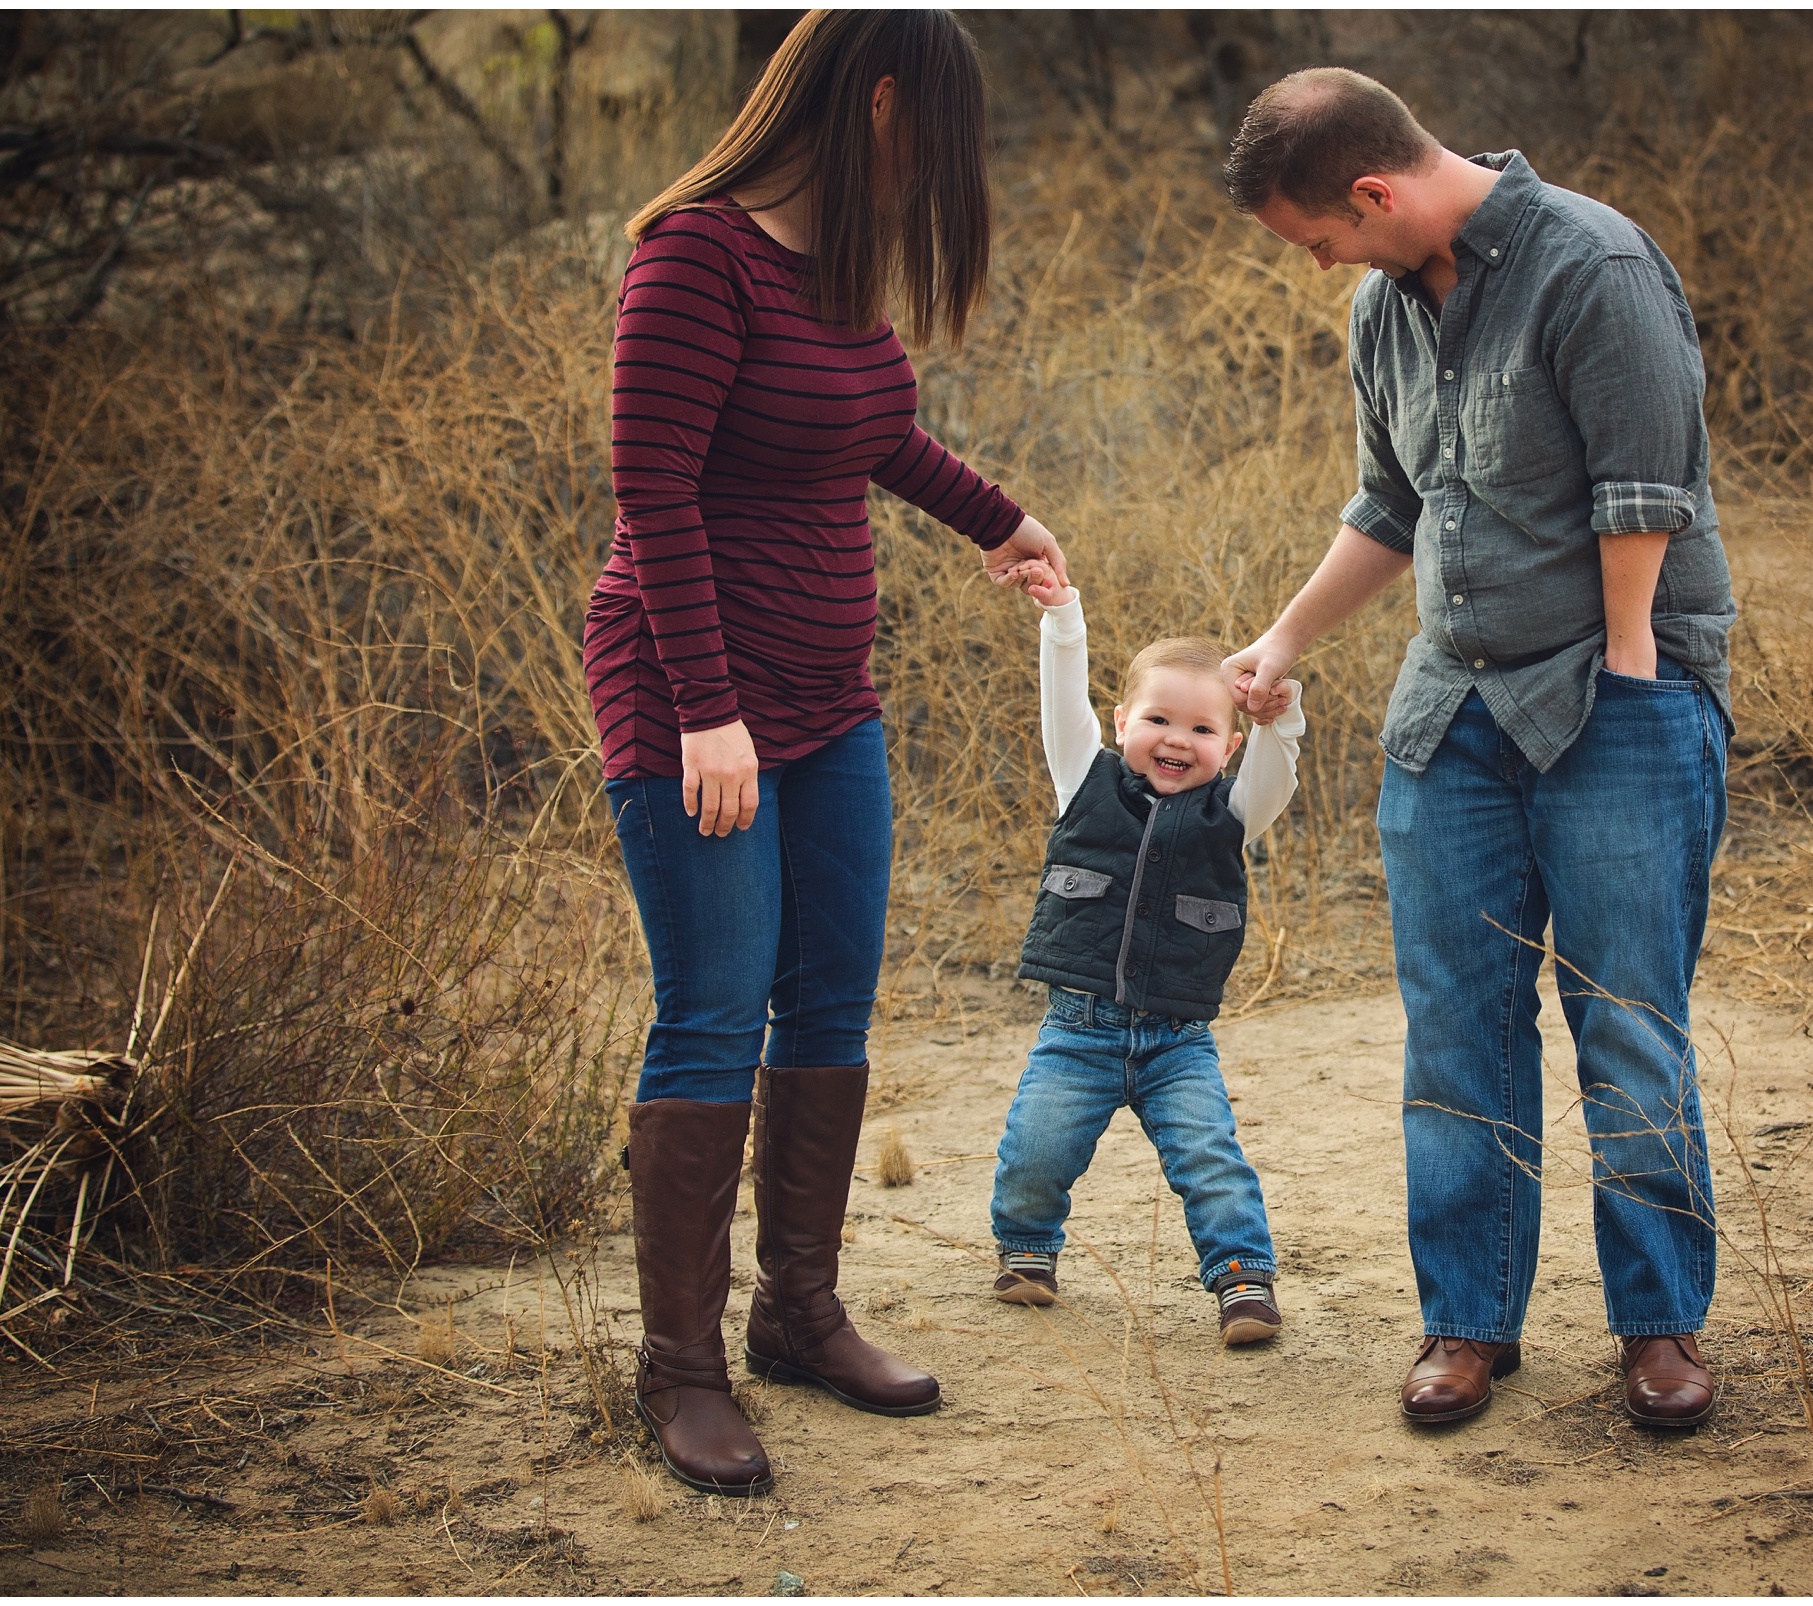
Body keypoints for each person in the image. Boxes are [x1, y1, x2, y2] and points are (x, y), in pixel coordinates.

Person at [584, 11, 1071, 1497]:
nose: (946, 165)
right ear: (874, 105)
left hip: (831, 694)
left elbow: (870, 432)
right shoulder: (693, 253)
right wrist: (705, 711)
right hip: (695, 697)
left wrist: (998, 516)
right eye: (937, 128)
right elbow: (652, 492)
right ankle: (684, 1370)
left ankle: (800, 1312)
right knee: (716, 1011)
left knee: (834, 1004)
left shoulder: (837, 269)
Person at [1220, 68, 1737, 1427]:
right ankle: (1469, 1322)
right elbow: (1392, 504)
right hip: (1453, 710)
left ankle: (1659, 1326)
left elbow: (1647, 489)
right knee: (1458, 1028)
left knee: (1627, 1024)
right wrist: (1282, 641)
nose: (1319, 260)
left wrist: (1629, 671)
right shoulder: (1381, 309)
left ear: (1374, 192)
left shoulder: (1595, 264)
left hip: (1619, 693)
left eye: (1317, 233)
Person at [983, 558, 1306, 1346]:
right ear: (1121, 721)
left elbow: (1277, 774)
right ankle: (1027, 1250)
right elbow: (1061, 699)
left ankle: (1242, 1281)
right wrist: (1064, 619)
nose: (1177, 740)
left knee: (1211, 1159)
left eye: (1202, 730)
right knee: (1036, 1147)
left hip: (1177, 1042)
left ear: (1227, 747)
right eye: (1159, 719)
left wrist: (1276, 720)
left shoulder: (1233, 815)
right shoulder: (1082, 781)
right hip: (1078, 1031)